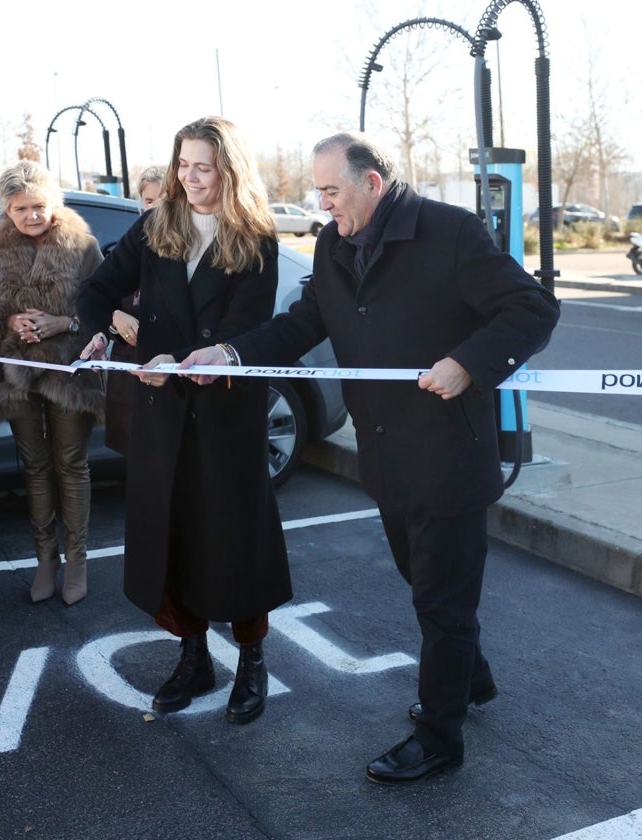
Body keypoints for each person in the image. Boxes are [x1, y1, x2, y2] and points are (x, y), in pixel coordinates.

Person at [180, 131, 560, 780]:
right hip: (385, 461)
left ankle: (441, 738)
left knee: (440, 603)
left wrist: (468, 364)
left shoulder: (451, 234)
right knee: (430, 591)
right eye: (319, 192)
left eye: (330, 191)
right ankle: (471, 680)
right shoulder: (333, 245)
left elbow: (533, 307)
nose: (322, 205)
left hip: (448, 458)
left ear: (371, 184)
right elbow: (303, 325)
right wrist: (233, 355)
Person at [77, 116, 291, 725]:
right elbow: (100, 289)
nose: (190, 178)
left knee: (234, 538)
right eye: (183, 164)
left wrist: (184, 357)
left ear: (229, 170)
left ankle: (252, 661)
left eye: (203, 167)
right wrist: (100, 331)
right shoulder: (155, 223)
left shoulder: (255, 236)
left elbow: (244, 329)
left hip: (226, 413)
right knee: (171, 533)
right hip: (162, 411)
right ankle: (193, 656)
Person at [0, 160, 105, 606]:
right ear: (6, 211)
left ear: (55, 203)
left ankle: (78, 560)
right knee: (35, 467)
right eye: (21, 208)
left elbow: (103, 313)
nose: (32, 215)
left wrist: (63, 324)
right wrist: (11, 321)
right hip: (18, 376)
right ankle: (44, 560)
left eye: (39, 205)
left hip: (70, 373)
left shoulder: (83, 246)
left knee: (71, 463)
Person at [104, 165, 166, 454]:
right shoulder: (126, 250)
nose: (155, 208)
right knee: (135, 457)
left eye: (164, 199)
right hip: (129, 370)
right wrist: (116, 317)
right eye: (149, 201)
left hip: (168, 371)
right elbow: (101, 297)